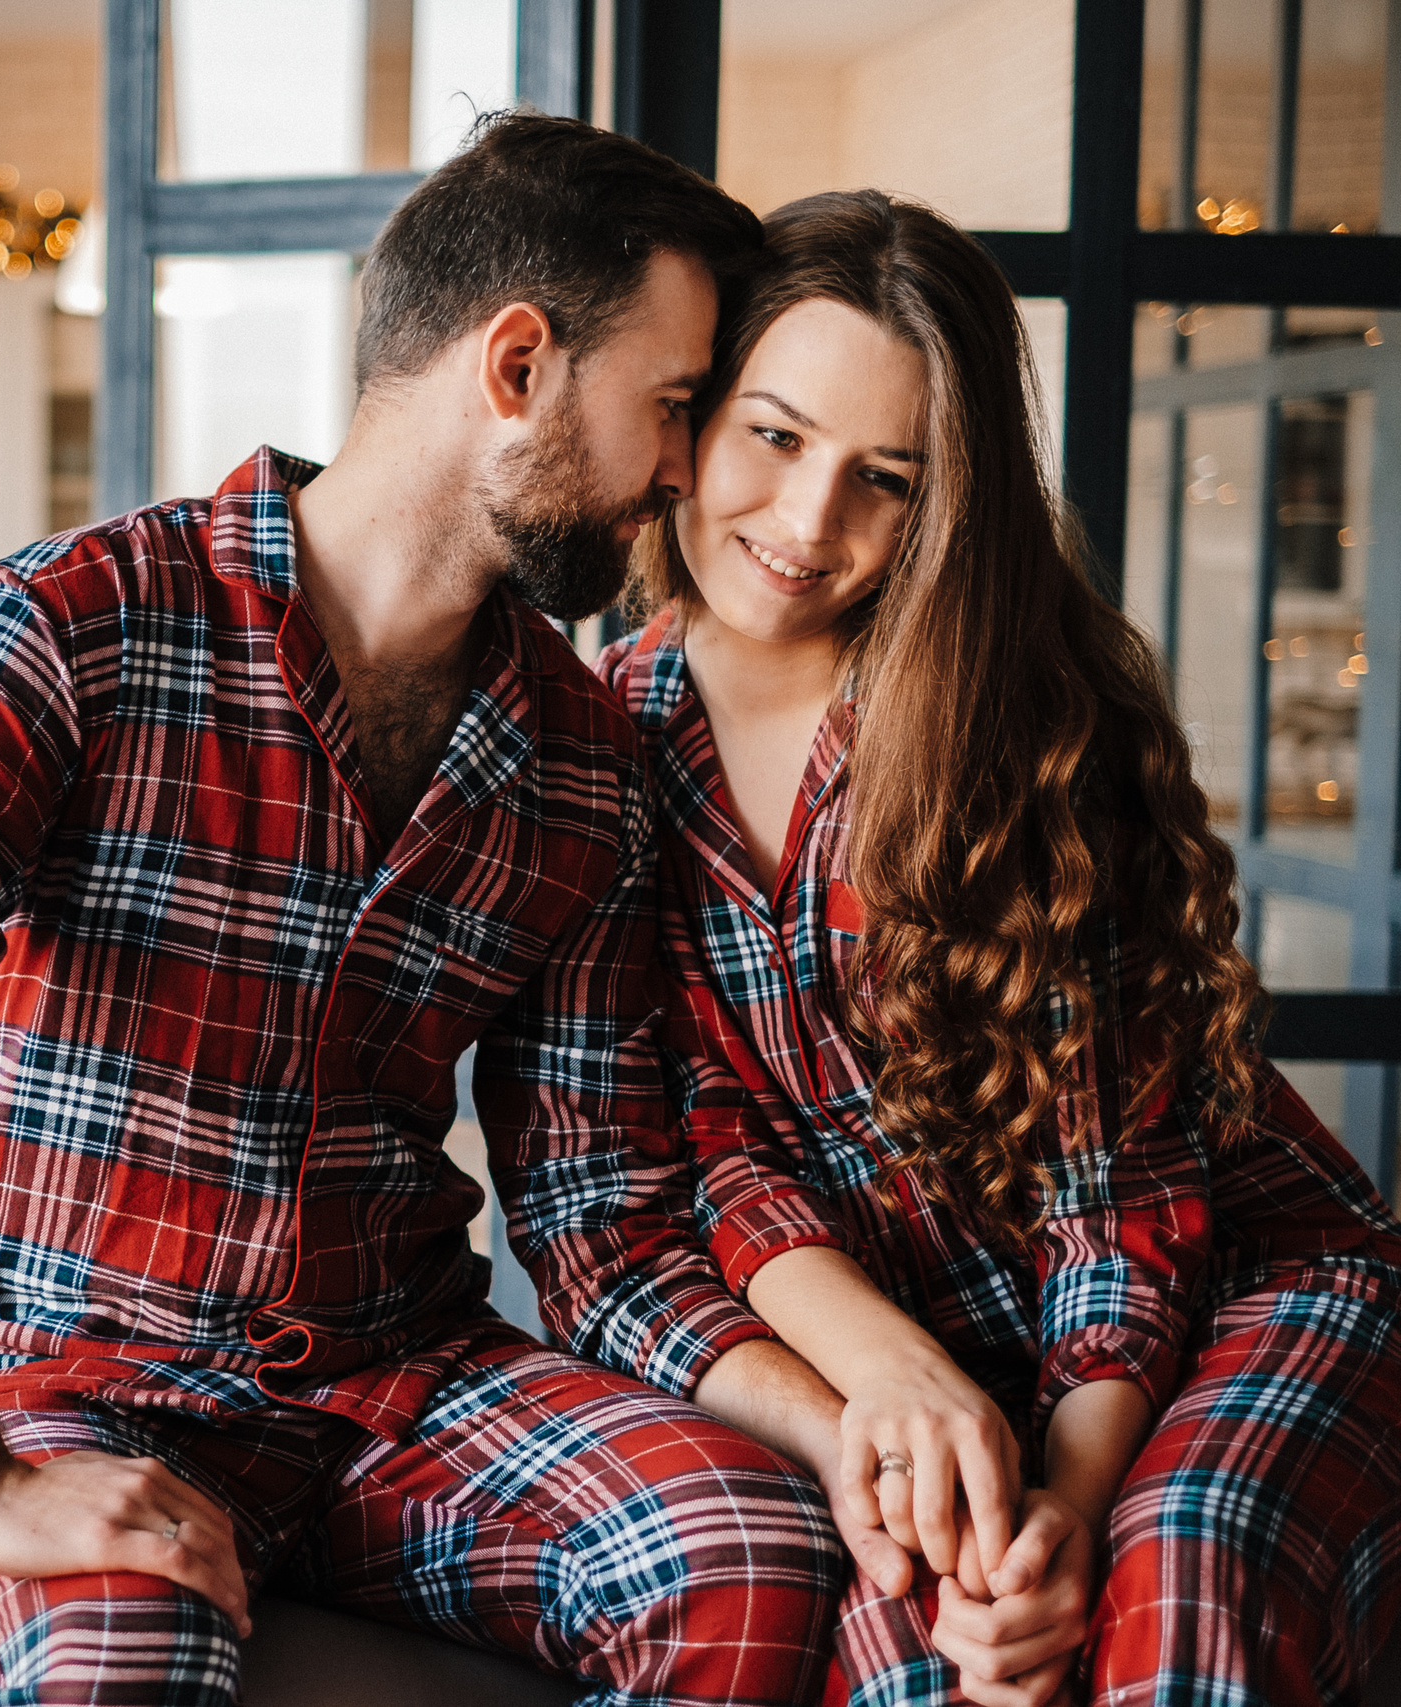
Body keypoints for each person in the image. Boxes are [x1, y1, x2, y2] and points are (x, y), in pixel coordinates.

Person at [0, 115, 854, 1707]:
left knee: (750, 1552)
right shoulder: (81, 621)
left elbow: (604, 1221)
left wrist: (851, 1427)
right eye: (671, 405)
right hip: (63, 1383)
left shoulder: (587, 761)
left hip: (403, 1391)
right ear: (515, 364)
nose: (685, 471)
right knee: (125, 1649)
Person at [597, 188, 1401, 1707]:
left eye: (883, 477)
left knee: (1183, 1578)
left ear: (944, 503)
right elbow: (696, 1161)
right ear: (692, 417)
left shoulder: (1013, 737)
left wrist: (1062, 1526)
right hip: (915, 1365)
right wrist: (910, 1406)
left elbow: (1126, 1202)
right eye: (773, 435)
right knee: (917, 1671)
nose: (806, 523)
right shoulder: (593, 749)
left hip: (1219, 1293)